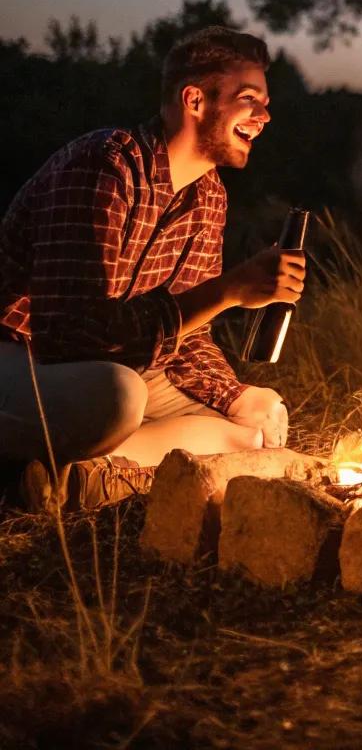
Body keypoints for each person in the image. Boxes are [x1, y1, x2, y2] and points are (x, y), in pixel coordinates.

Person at [0, 26, 306, 512]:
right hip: (23, 357)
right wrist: (228, 291)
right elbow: (71, 337)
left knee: (257, 422)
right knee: (119, 397)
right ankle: (70, 470)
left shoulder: (209, 197)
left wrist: (233, 395)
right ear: (195, 101)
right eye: (249, 99)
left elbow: (185, 335)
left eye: (265, 102)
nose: (265, 116)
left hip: (120, 364)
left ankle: (75, 475)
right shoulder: (103, 167)